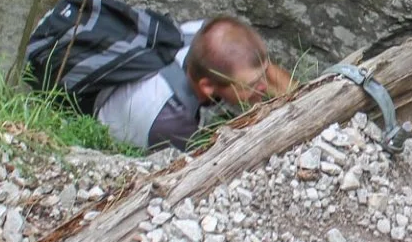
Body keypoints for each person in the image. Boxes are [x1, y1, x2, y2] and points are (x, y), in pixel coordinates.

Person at [94, 15, 293, 152]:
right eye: (251, 84)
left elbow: (264, 70)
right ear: (207, 87)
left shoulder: (205, 36)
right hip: (124, 126)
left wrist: (295, 95)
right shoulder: (172, 122)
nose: (264, 86)